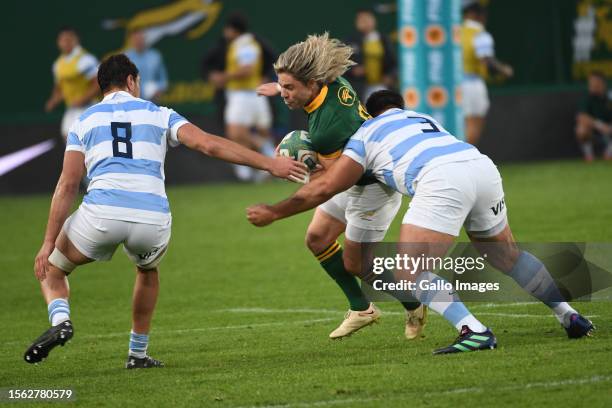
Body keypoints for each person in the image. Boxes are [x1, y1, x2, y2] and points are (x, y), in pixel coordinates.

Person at [247, 90, 595, 354]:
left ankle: (473, 330)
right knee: (507, 256)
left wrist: (275, 211)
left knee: (409, 270)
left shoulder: (366, 134)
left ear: (369, 112)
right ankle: (569, 315)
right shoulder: (420, 118)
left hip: (442, 180)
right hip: (480, 166)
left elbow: (325, 187)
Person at [25, 54, 306, 369]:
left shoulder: (84, 120)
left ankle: (61, 319)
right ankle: (138, 353)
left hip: (101, 214)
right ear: (131, 81)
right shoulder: (159, 113)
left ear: (101, 87)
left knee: (53, 268)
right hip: (152, 219)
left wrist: (48, 242)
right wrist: (270, 164)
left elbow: (68, 184)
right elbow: (209, 145)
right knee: (147, 271)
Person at [257, 33, 425, 341]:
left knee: (357, 263)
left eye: (290, 88)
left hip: (372, 186)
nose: (284, 94)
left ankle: (414, 303)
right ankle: (362, 309)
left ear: (311, 83)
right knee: (318, 238)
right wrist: (279, 87)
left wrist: (298, 168)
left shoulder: (327, 129)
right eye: (282, 86)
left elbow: (333, 183)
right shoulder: (332, 83)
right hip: (353, 171)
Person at [209, 13, 275, 182]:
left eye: (227, 28)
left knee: (236, 133)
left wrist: (222, 77)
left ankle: (269, 155)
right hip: (249, 94)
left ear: (232, 29)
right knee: (251, 134)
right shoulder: (242, 43)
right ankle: (255, 171)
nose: (224, 32)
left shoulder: (244, 44)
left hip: (244, 95)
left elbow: (247, 69)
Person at [460, 2, 513, 145]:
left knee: (460, 124)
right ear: (478, 15)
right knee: (474, 123)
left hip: (455, 84)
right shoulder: (479, 33)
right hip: (472, 84)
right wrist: (504, 70)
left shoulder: (456, 31)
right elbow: (486, 60)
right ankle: (464, 158)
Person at [45, 26, 100, 141]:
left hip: (89, 107)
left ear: (76, 40)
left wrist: (82, 99)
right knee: (68, 138)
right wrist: (53, 101)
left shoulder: (86, 60)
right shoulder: (58, 65)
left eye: (69, 39)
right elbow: (60, 88)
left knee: (84, 141)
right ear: (58, 42)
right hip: (72, 108)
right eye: (63, 40)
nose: (66, 43)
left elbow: (97, 84)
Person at [345, 8, 396, 101]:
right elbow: (342, 64)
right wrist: (353, 70)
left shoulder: (383, 39)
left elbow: (393, 63)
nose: (363, 22)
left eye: (366, 19)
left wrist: (389, 76)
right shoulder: (351, 40)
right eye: (360, 20)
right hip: (359, 87)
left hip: (381, 86)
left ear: (373, 21)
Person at [575, 71, 612, 161]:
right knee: (581, 129)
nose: (591, 84)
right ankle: (589, 156)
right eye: (590, 82)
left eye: (594, 82)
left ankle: (609, 153)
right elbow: (582, 116)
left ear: (602, 83)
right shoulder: (587, 97)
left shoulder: (610, 96)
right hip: (595, 131)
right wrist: (600, 126)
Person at [125, 29, 169, 101]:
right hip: (132, 101)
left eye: (141, 38)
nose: (139, 41)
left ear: (145, 39)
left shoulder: (155, 56)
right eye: (136, 39)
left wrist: (158, 90)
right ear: (131, 40)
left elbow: (163, 80)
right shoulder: (126, 57)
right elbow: (121, 80)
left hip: (152, 101)